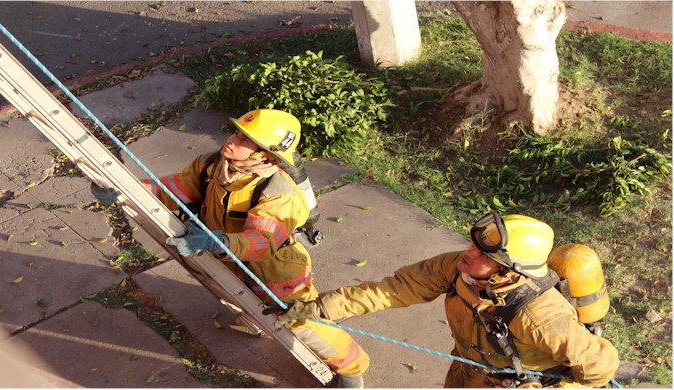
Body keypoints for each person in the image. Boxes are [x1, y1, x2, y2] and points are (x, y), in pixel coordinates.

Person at [91, 108, 369, 387]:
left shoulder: (278, 193)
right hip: (228, 262)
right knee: (248, 305)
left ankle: (352, 370)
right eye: (237, 132)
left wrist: (217, 241)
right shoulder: (211, 165)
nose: (233, 140)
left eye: (246, 140)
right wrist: (125, 188)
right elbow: (174, 189)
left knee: (301, 321)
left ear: (264, 155)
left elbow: (262, 241)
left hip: (275, 273)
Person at [268, 211, 619, 388]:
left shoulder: (540, 316)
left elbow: (600, 367)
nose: (467, 254)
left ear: (511, 271)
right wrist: (318, 308)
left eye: (484, 255)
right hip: (467, 373)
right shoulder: (456, 268)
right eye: (473, 244)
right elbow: (392, 290)